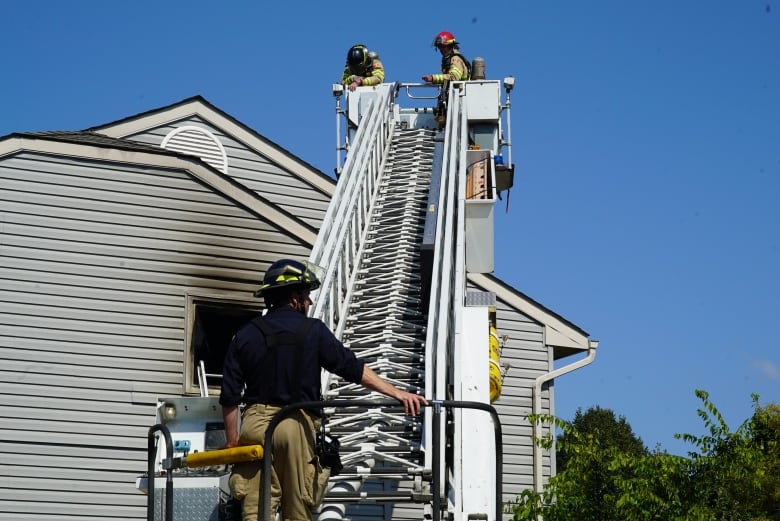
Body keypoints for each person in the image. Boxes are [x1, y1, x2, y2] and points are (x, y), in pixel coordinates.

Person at [220, 259, 427, 521]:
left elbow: (229, 397)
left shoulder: (244, 334)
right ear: (295, 298)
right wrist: (397, 393)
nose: (310, 302)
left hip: (255, 426)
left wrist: (233, 441)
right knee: (298, 509)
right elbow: (352, 368)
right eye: (307, 295)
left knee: (255, 510)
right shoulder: (313, 331)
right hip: (296, 423)